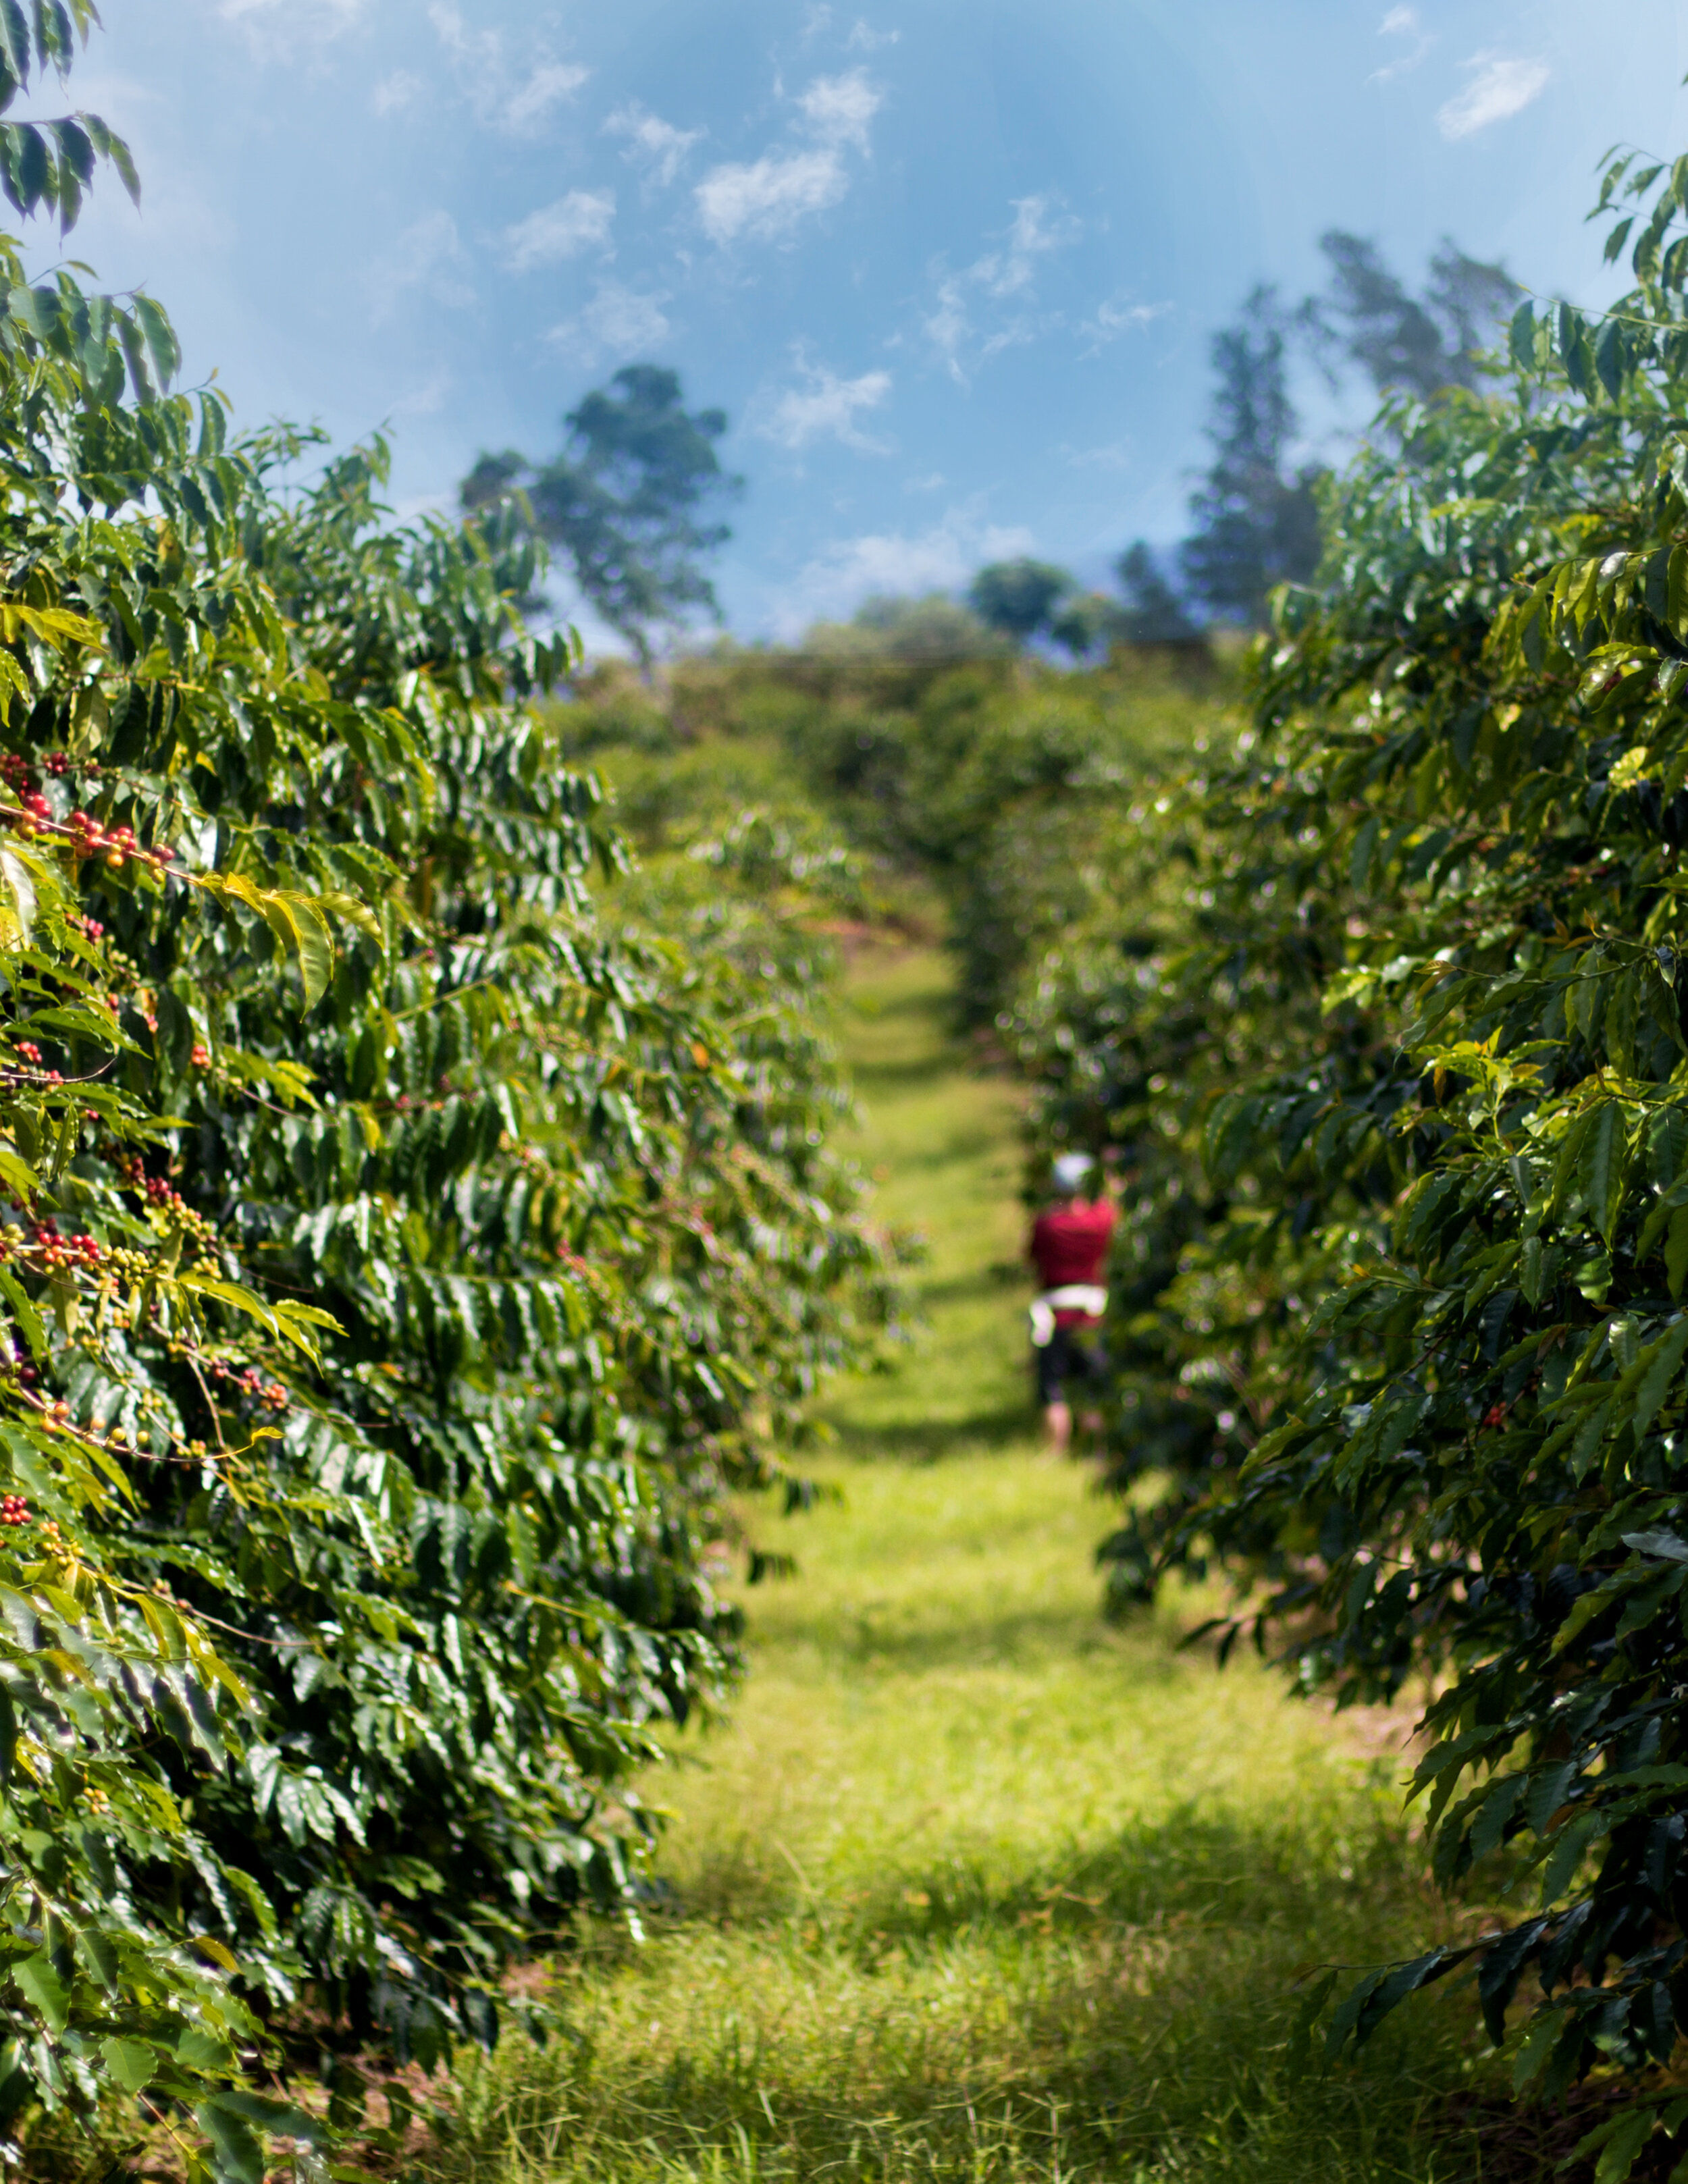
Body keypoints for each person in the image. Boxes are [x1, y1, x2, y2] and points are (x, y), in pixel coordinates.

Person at [1027, 1151, 1114, 1456]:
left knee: (1053, 1390)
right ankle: (1096, 1451)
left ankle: (1056, 1450)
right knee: (1093, 1388)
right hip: (1092, 1315)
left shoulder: (1048, 1225)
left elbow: (1033, 1259)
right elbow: (1109, 1210)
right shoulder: (1101, 1220)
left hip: (1055, 1317)